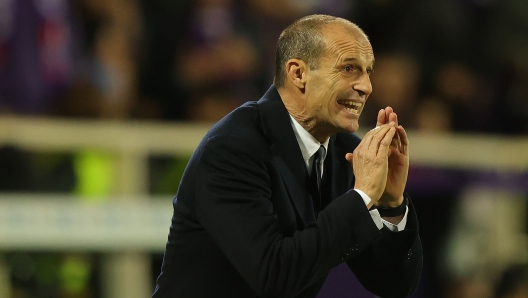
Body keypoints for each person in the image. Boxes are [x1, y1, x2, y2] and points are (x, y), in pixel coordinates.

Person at [152, 14, 422, 298]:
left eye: (368, 71)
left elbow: (392, 285)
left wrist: (392, 204)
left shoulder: (345, 153)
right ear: (298, 74)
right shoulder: (232, 147)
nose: (366, 86)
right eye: (349, 68)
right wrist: (363, 195)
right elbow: (274, 276)